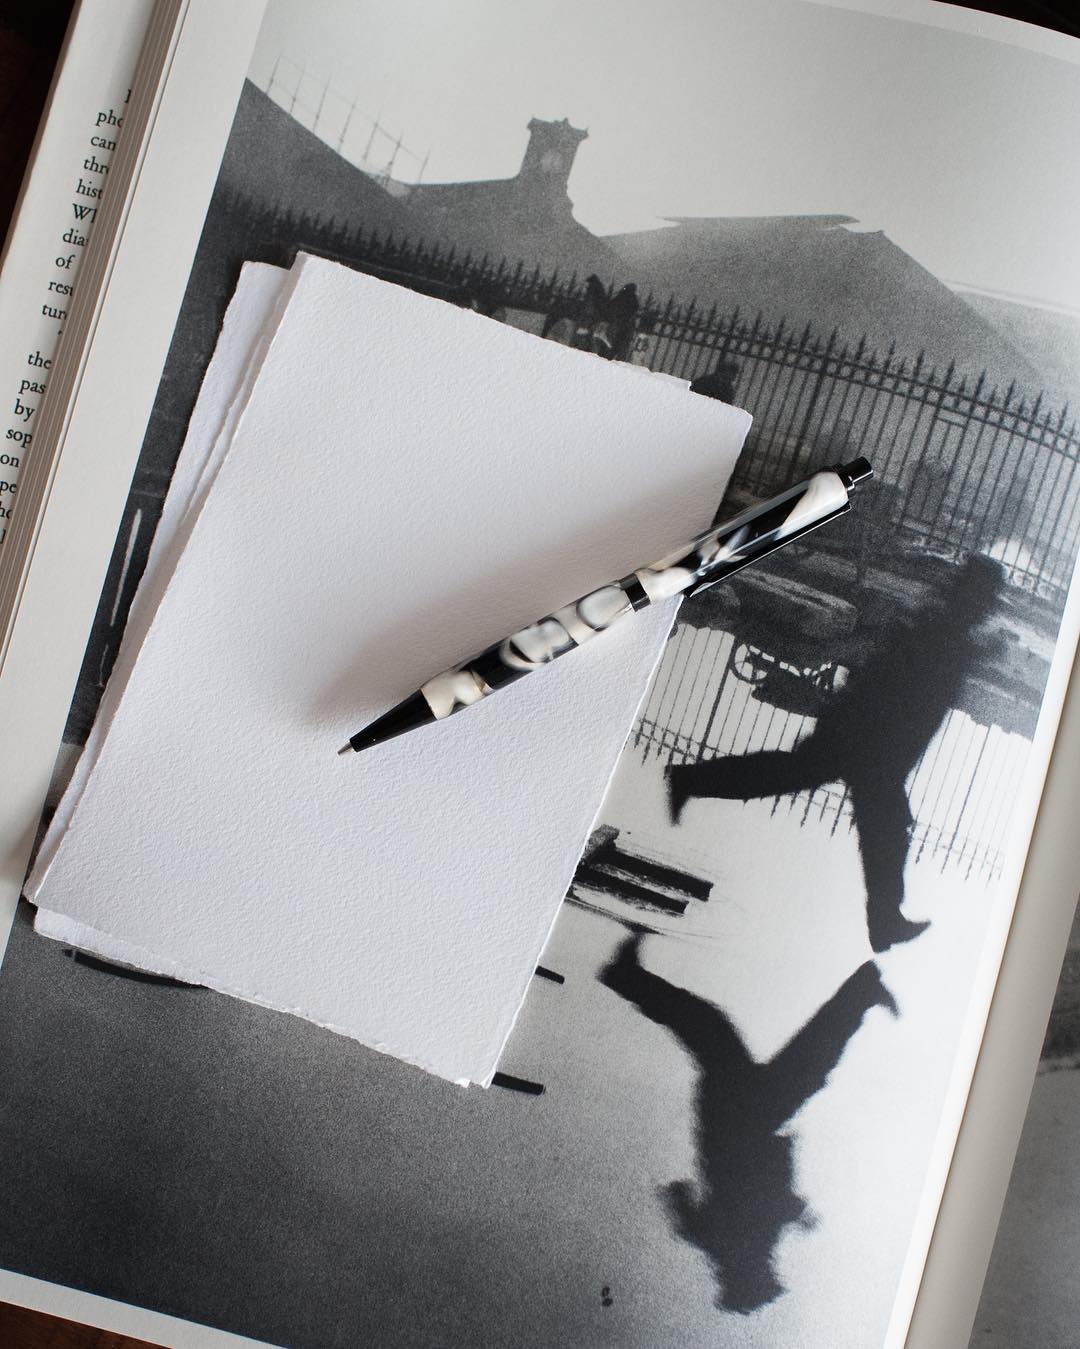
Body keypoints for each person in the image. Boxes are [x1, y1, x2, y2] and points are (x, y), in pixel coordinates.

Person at [666, 555, 1005, 953]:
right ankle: (884, 921)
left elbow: (899, 672)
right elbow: (899, 681)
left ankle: (885, 920)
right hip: (870, 743)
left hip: (869, 742)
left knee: (812, 785)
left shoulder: (942, 625)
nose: (990, 604)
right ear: (975, 595)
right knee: (878, 824)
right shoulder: (940, 630)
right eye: (988, 596)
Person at [601, 931, 897, 1311]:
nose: (774, 1271)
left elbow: (707, 1204)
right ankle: (863, 991)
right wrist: (794, 1212)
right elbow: (692, 1202)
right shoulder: (732, 1244)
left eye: (768, 1278)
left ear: (752, 1277)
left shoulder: (734, 1244)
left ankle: (864, 991)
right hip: (743, 1121)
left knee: (771, 1052)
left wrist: (793, 1212)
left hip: (740, 1122)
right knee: (764, 1050)